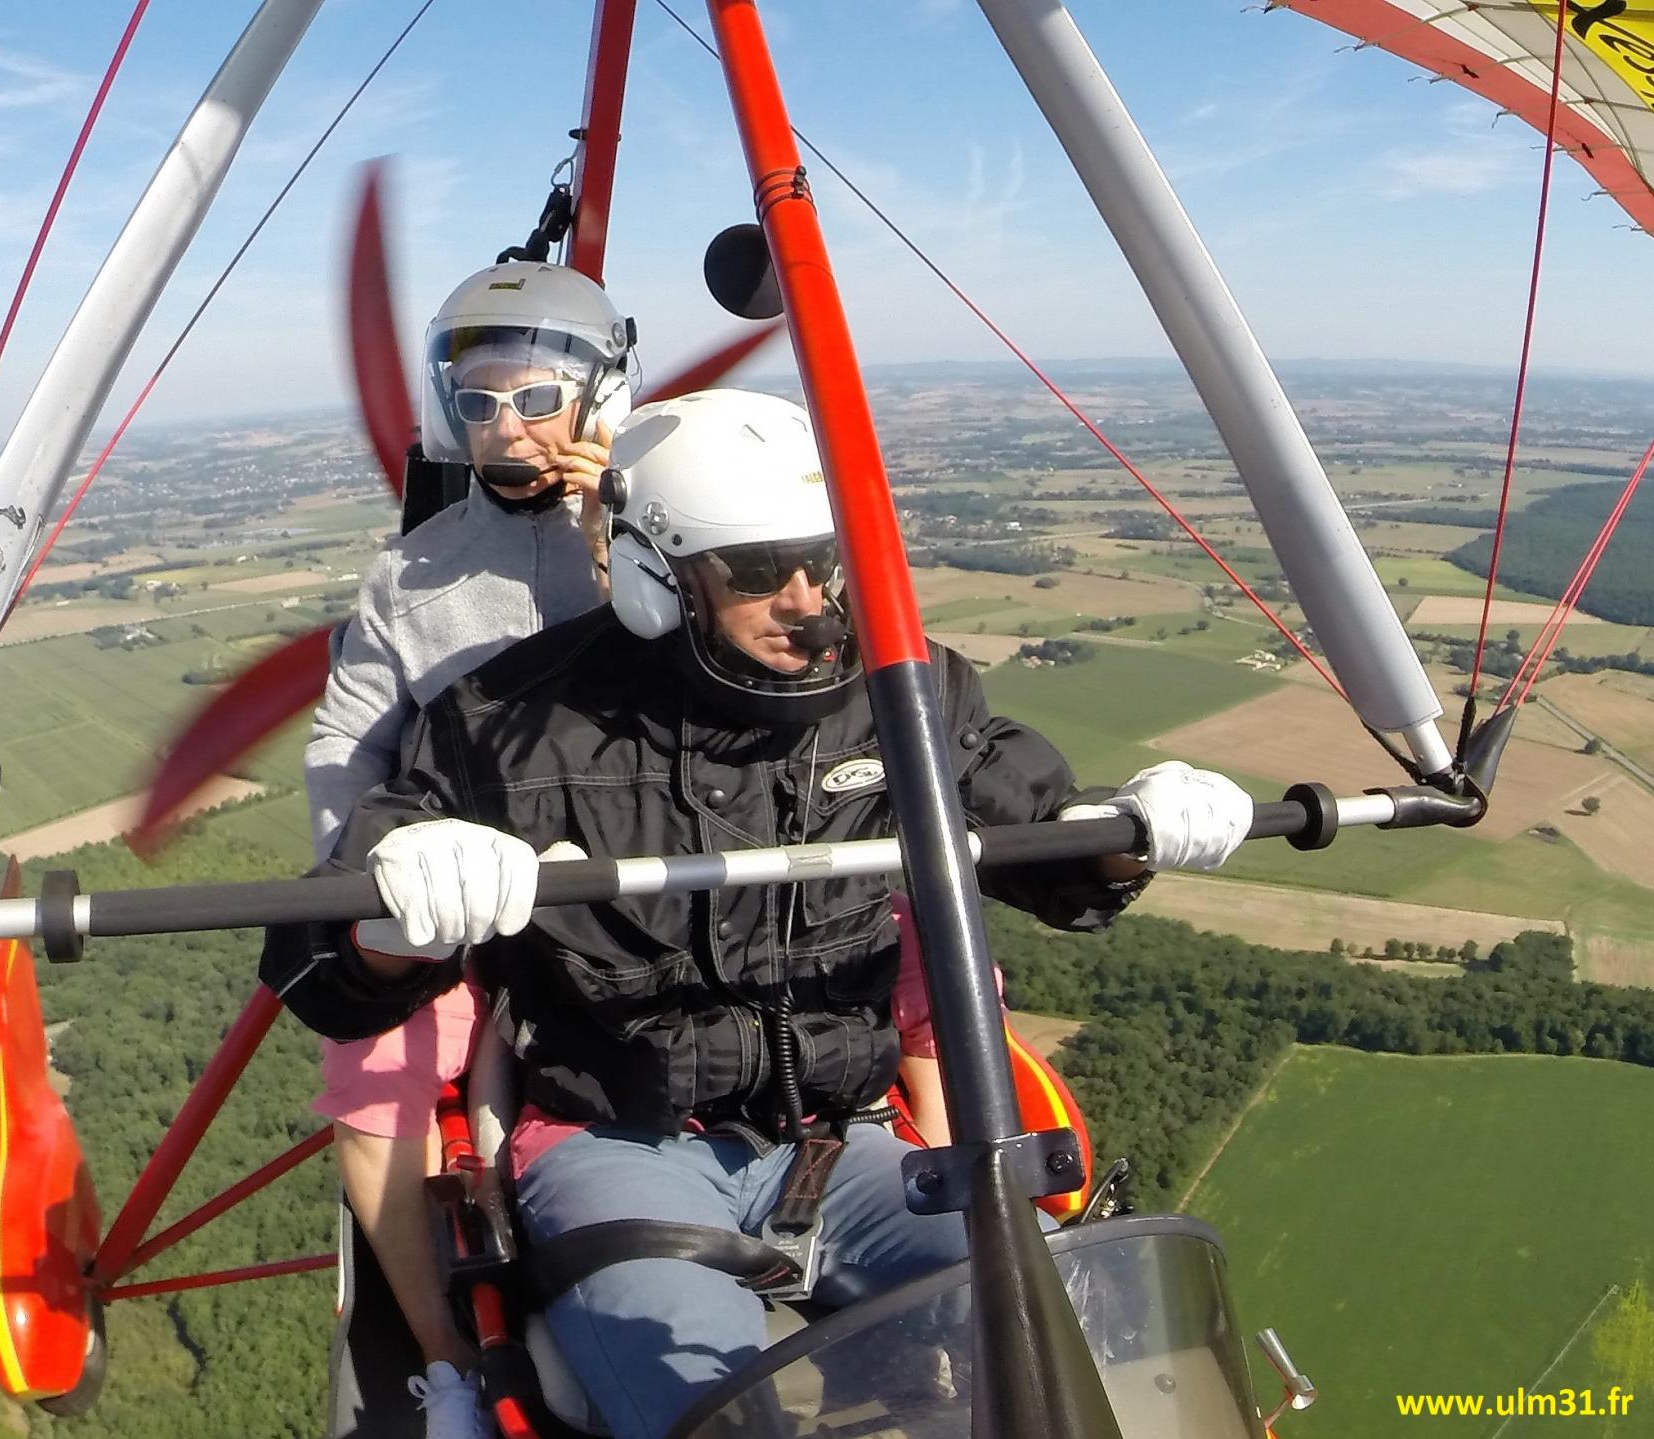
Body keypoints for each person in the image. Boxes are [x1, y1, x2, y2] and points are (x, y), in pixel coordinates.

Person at [266, 390, 1254, 1439]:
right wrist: (394, 912)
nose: (808, 603)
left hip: (846, 1146)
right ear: (654, 574)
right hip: (615, 1149)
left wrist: (1131, 827)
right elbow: (321, 968)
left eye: (823, 563)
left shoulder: (898, 691)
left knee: (1060, 1353)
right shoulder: (510, 725)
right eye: (752, 571)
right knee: (711, 1411)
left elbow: (1038, 835)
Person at [302, 258, 640, 1439]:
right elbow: (349, 744)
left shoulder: (669, 527)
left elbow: (740, 674)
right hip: (470, 891)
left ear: (605, 395)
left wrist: (624, 535)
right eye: (483, 400)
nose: (510, 426)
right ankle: (448, 1362)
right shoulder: (415, 573)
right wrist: (375, 879)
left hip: (652, 865)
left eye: (540, 395)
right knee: (372, 1075)